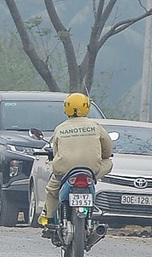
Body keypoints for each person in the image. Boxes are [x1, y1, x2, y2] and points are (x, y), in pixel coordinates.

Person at [40, 92, 113, 232]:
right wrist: (102, 157)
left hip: (65, 171)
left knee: (51, 190)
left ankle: (48, 218)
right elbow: (108, 150)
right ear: (87, 107)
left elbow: (56, 152)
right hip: (90, 171)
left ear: (66, 107)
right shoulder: (95, 126)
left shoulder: (60, 128)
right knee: (109, 162)